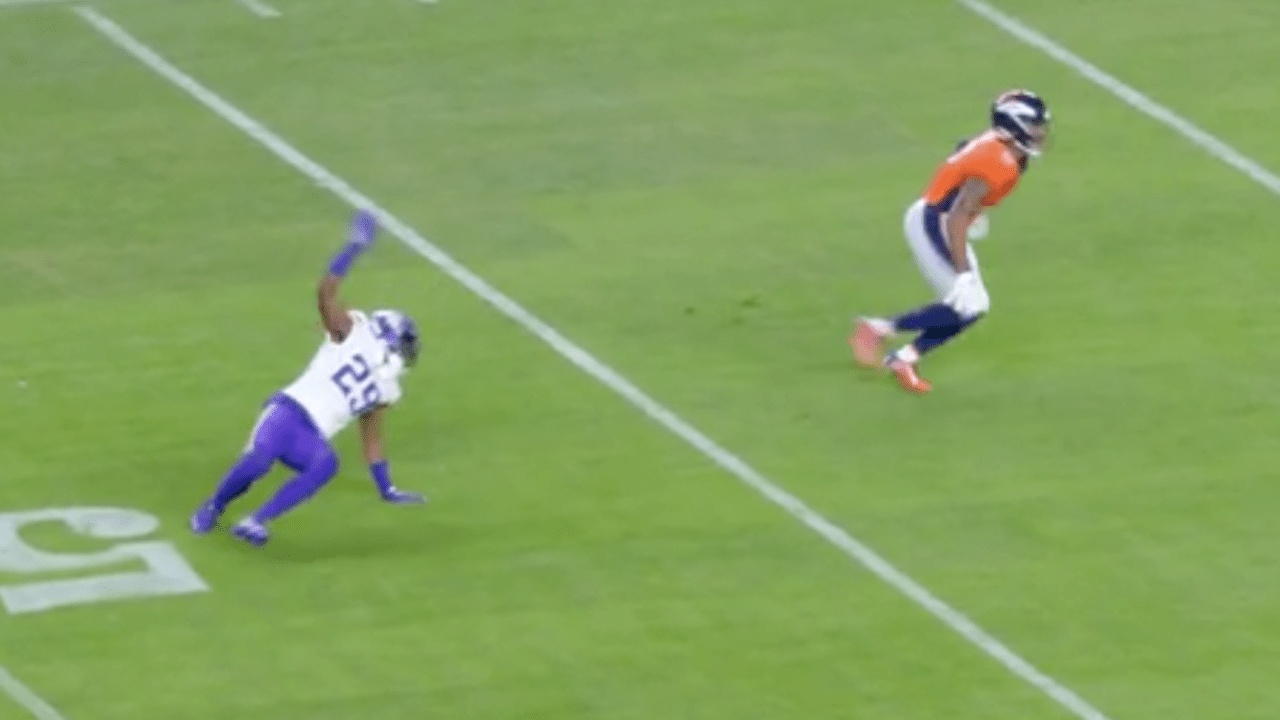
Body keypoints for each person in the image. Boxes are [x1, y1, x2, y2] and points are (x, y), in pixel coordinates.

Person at [189, 209, 425, 545]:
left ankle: (255, 521)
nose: (406, 353)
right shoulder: (351, 331)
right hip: (288, 411)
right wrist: (352, 249)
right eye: (404, 345)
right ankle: (212, 506)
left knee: (325, 464)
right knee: (257, 463)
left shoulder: (387, 387)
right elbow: (324, 294)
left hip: (312, 433)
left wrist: (386, 487)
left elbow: (371, 437)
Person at [851, 89, 1051, 394]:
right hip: (936, 221)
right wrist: (964, 272)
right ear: (1015, 124)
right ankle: (879, 329)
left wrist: (974, 209)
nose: (1040, 133)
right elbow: (957, 215)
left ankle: (904, 358)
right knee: (965, 304)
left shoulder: (1002, 149)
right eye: (1034, 125)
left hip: (942, 218)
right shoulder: (1001, 160)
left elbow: (962, 156)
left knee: (975, 306)